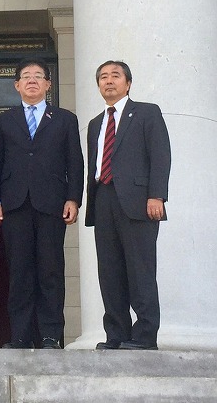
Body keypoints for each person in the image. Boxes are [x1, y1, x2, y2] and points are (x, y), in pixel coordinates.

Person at [0, 58, 84, 349]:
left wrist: (73, 198)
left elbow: (75, 162)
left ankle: (50, 336)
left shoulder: (65, 119)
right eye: (26, 76)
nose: (32, 80)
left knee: (50, 271)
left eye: (38, 76)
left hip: (52, 204)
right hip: (14, 204)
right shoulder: (4, 120)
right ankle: (20, 336)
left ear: (48, 85)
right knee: (20, 272)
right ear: (17, 85)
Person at [86, 61, 171, 351]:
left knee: (140, 269)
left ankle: (145, 335)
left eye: (115, 76)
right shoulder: (95, 123)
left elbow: (160, 155)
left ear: (128, 83)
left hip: (139, 202)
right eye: (103, 77)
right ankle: (117, 334)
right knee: (109, 271)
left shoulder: (146, 112)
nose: (109, 81)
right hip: (103, 198)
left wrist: (157, 195)